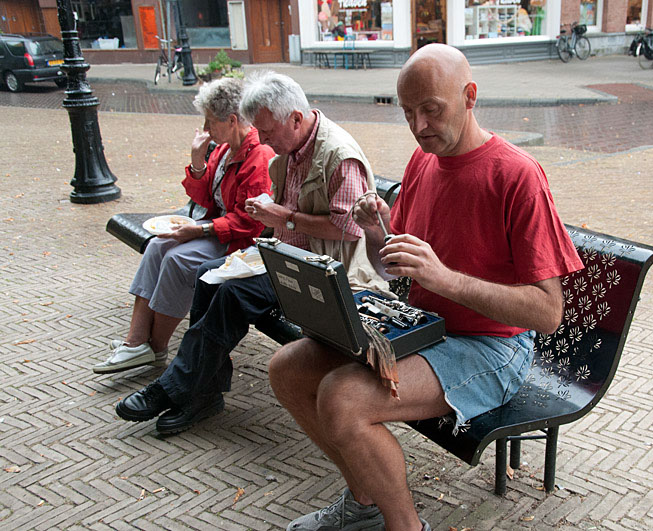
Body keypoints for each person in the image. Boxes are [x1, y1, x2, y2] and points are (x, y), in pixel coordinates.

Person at [268, 44, 584, 531]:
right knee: (287, 368)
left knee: (343, 399)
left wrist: (445, 279)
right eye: (408, 113)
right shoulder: (424, 162)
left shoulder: (516, 175)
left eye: (431, 110)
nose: (418, 126)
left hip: (494, 347)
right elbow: (399, 266)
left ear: (470, 96)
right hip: (425, 329)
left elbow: (547, 312)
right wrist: (380, 233)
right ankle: (364, 503)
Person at [114, 70, 388, 435]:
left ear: (295, 117)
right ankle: (203, 393)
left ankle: (178, 388)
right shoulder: (292, 146)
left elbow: (349, 229)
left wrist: (284, 218)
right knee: (208, 276)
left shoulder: (338, 156)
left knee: (231, 293)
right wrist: (271, 215)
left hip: (325, 271)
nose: (264, 140)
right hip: (284, 256)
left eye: (269, 132)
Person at [94, 78, 274, 375]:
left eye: (210, 121)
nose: (205, 129)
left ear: (231, 121)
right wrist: (197, 162)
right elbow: (203, 197)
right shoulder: (224, 149)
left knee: (178, 261)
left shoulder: (258, 157)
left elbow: (250, 222)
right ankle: (135, 341)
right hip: (218, 228)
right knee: (156, 246)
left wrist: (199, 231)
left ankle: (155, 348)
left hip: (240, 241)